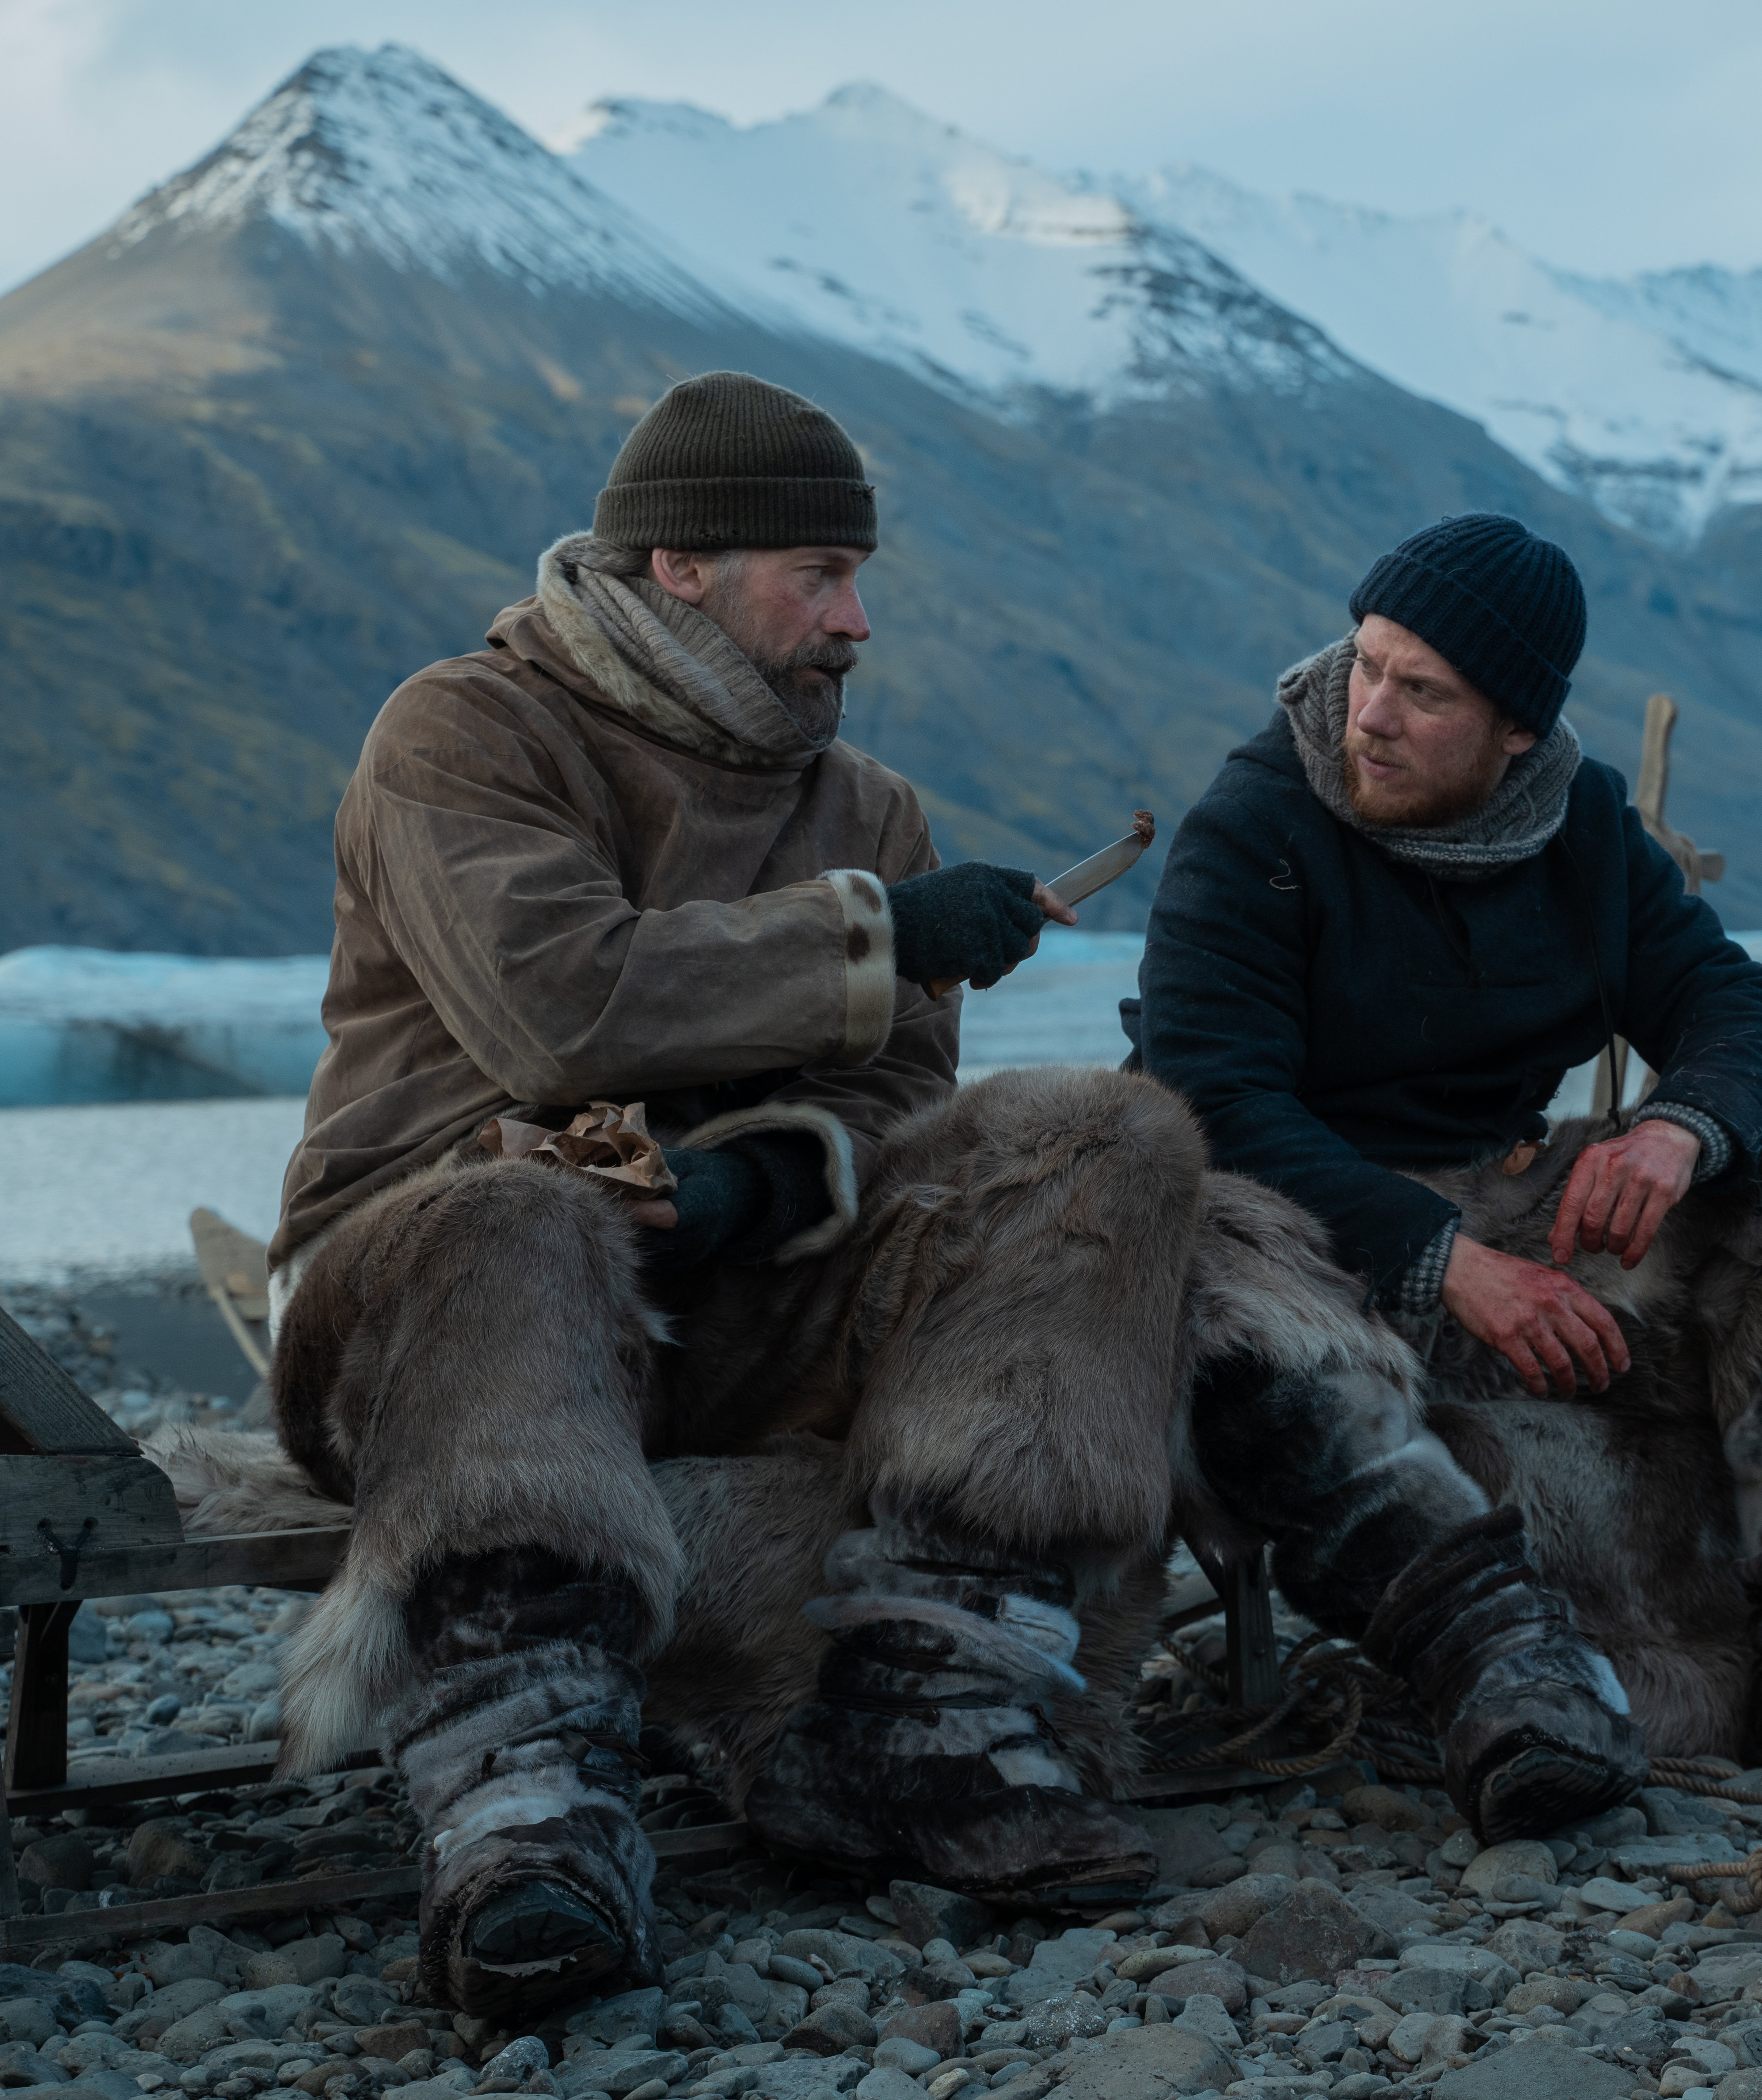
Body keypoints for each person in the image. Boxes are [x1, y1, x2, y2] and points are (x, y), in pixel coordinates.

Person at [264, 372, 1206, 2019]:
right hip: (432, 1301)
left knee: (1107, 1135)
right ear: (676, 566)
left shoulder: (867, 804)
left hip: (729, 1294)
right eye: (814, 577)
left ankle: (925, 1714)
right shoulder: (465, 731)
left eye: (861, 577)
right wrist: (878, 936)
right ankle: (524, 1802)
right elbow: (554, 1004)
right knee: (525, 1211)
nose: (856, 622)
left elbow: (897, 1100)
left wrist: (752, 1183)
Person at [1134, 515, 1762, 1834]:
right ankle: (1493, 1660)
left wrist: (1678, 1126)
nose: (1369, 714)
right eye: (1368, 663)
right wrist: (1444, 1263)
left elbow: (1734, 1003)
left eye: (1423, 691)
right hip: (1293, 1224)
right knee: (1221, 1250)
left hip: (1509, 1194)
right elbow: (1213, 1100)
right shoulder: (1256, 823)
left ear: (1517, 731)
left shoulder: (1577, 827)